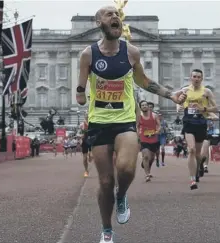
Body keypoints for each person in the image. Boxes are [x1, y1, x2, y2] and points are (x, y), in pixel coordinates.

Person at [76, 5, 186, 242]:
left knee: (125, 168)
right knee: (105, 181)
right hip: (98, 122)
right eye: (109, 14)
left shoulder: (131, 52)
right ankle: (106, 229)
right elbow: (81, 85)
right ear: (98, 23)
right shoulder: (87, 53)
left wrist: (171, 95)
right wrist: (79, 93)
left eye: (117, 14)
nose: (115, 16)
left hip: (125, 120)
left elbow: (144, 81)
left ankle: (122, 195)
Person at [180, 69, 218, 190]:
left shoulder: (206, 91)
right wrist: (179, 106)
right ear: (190, 77)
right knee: (191, 150)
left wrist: (204, 109)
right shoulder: (185, 90)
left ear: (201, 79)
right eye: (194, 76)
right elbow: (178, 101)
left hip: (201, 123)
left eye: (198, 77)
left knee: (198, 154)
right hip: (188, 122)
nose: (196, 78)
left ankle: (198, 169)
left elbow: (216, 108)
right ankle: (192, 180)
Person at [137, 100, 160, 182]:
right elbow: (136, 126)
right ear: (140, 107)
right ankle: (147, 175)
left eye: (145, 105)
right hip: (144, 138)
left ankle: (147, 167)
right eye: (142, 105)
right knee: (146, 156)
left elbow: (159, 125)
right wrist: (138, 135)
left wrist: (157, 131)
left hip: (154, 138)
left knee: (151, 158)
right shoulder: (139, 116)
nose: (144, 106)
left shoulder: (154, 115)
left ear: (148, 106)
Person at [80, 111, 92, 177]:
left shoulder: (92, 123)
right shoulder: (82, 124)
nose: (87, 116)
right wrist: (80, 136)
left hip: (91, 140)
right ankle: (86, 170)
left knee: (91, 156)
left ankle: (90, 156)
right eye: (86, 115)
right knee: (84, 159)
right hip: (84, 141)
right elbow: (79, 133)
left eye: (88, 115)